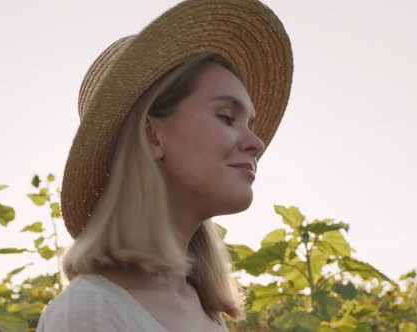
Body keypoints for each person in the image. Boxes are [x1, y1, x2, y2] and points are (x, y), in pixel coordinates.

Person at [36, 0, 293, 331]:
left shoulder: (206, 312)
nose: (255, 144)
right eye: (227, 117)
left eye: (251, 124)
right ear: (152, 136)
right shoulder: (89, 315)